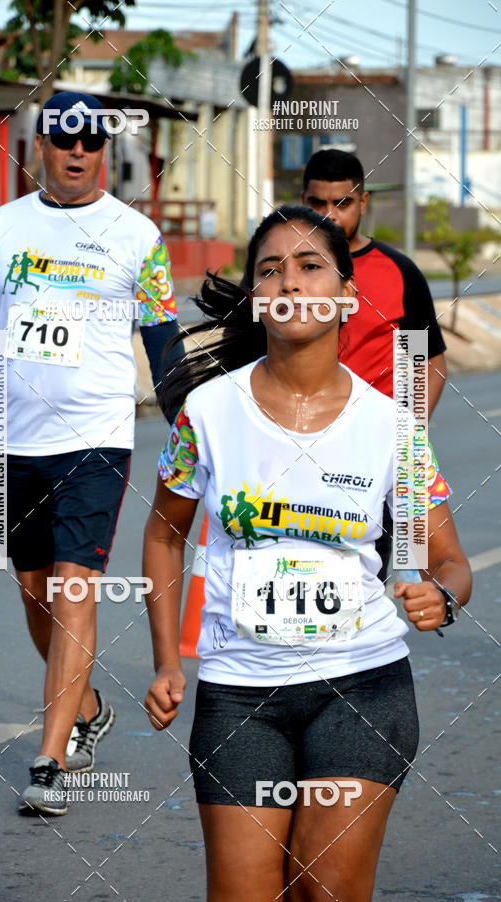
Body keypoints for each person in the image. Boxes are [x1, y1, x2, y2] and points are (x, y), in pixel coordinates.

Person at [143, 206, 471, 901]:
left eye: (309, 265)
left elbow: (450, 560)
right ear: (259, 298)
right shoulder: (207, 413)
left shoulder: (391, 427)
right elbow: (164, 533)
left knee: (323, 890)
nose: (289, 280)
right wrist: (168, 658)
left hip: (362, 689)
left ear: (346, 294)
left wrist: (440, 595)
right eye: (270, 270)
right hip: (240, 699)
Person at [0, 91, 183, 816]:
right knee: (35, 592)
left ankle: (50, 758)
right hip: (13, 439)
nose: (76, 151)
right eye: (63, 140)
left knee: (72, 590)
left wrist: (192, 426)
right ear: (39, 148)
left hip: (96, 440)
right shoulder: (4, 228)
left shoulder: (136, 235)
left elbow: (164, 345)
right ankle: (88, 705)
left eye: (90, 142)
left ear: (104, 151)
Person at [302, 148, 448, 579]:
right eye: (317, 204)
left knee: (363, 575)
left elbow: (428, 363)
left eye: (342, 203)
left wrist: (406, 434)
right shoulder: (282, 274)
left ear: (363, 203)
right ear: (302, 200)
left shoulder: (399, 273)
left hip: (368, 456)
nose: (329, 216)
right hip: (294, 449)